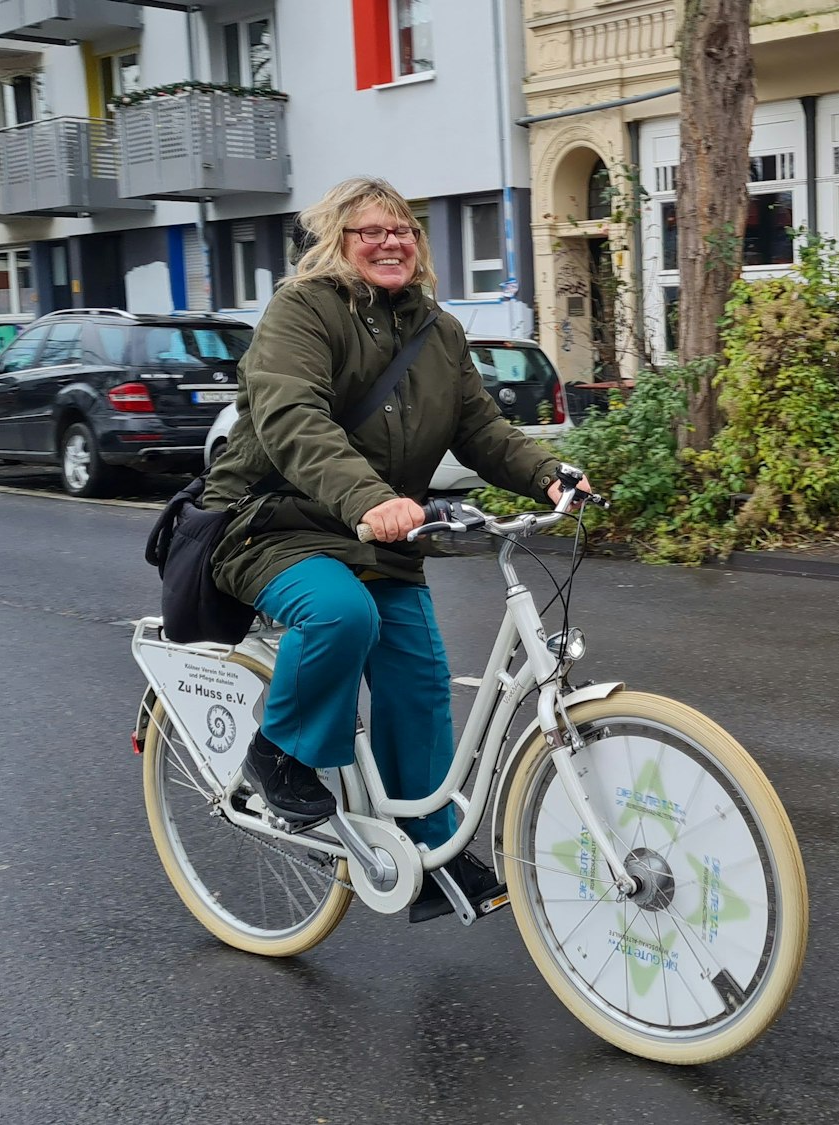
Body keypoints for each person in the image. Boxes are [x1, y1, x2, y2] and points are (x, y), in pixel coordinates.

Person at [204, 177, 587, 924]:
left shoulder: (437, 332)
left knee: (419, 683)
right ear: (336, 243)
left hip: (381, 535)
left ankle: (432, 852)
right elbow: (293, 417)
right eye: (370, 231)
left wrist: (547, 474)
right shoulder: (301, 310)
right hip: (276, 523)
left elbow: (479, 428)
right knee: (342, 616)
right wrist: (369, 497)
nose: (391, 242)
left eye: (404, 230)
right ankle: (278, 752)